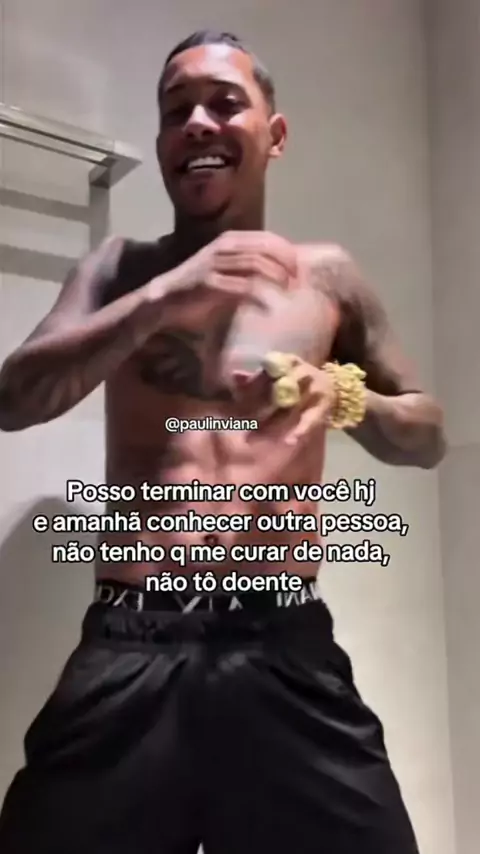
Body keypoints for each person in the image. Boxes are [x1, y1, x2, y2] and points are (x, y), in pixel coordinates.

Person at [0, 29, 445, 854]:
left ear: (275, 135)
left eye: (225, 103)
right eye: (177, 111)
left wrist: (342, 394)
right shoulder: (120, 271)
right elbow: (14, 400)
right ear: (162, 143)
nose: (199, 122)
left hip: (283, 644)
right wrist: (162, 297)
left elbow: (427, 434)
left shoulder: (328, 277)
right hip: (132, 642)